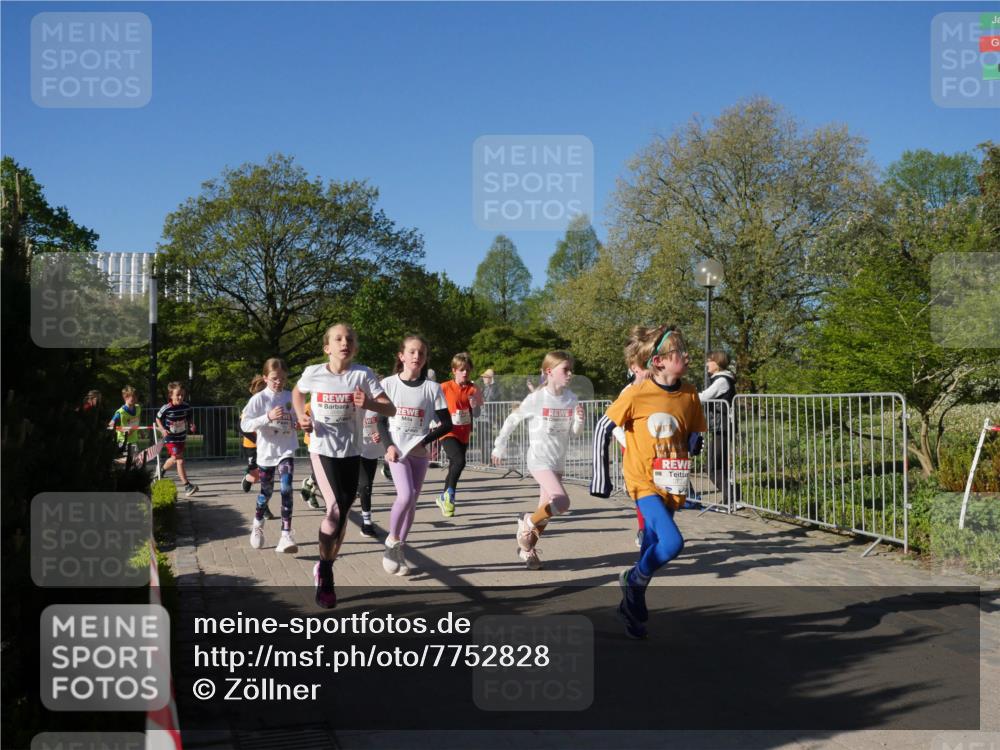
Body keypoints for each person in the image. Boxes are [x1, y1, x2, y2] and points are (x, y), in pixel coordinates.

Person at [605, 325, 705, 638]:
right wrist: (600, 477)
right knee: (672, 543)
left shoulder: (689, 393)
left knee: (650, 547)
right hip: (642, 482)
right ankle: (632, 580)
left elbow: (692, 429)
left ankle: (631, 611)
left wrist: (692, 442)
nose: (686, 356)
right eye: (678, 352)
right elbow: (604, 427)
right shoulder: (636, 393)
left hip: (672, 483)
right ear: (659, 361)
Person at [293, 323, 395, 608]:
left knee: (341, 519)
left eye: (350, 338)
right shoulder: (314, 373)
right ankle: (325, 573)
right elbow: (297, 393)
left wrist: (370, 403)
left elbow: (391, 408)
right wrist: (302, 416)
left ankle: (326, 563)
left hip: (352, 453)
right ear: (327, 347)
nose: (344, 342)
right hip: (321, 450)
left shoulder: (363, 374)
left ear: (355, 346)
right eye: (338, 339)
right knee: (335, 509)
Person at [492, 351, 585, 569]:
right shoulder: (537, 399)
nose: (570, 373)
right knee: (562, 502)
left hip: (557, 462)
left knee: (546, 510)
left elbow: (574, 434)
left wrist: (579, 421)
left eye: (571, 369)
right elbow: (512, 419)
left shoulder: (571, 398)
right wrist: (499, 445)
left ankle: (527, 550)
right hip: (538, 460)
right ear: (549, 372)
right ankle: (527, 521)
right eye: (565, 369)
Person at [377, 335, 452, 575]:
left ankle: (399, 550)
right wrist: (388, 446)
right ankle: (391, 541)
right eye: (411, 352)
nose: (416, 356)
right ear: (401, 356)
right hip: (397, 452)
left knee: (412, 504)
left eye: (421, 353)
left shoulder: (433, 388)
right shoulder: (388, 384)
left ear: (425, 358)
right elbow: (380, 420)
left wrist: (425, 440)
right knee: (406, 495)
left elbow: (447, 424)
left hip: (419, 454)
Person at [591, 332, 651, 548]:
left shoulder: (665, 390)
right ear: (634, 368)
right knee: (643, 493)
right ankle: (644, 530)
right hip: (633, 450)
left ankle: (654, 530)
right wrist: (628, 442)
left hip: (658, 452)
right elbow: (609, 424)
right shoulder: (629, 391)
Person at [240, 359, 300, 554]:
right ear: (265, 378)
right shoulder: (259, 399)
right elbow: (245, 425)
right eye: (274, 378)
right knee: (266, 492)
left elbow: (298, 419)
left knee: (287, 488)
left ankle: (286, 535)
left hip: (286, 449)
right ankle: (257, 523)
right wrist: (267, 417)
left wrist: (298, 424)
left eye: (282, 378)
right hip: (266, 453)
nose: (278, 382)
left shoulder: (291, 396)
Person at [433, 352, 482, 517]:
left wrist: (475, 406)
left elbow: (477, 413)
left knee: (456, 465)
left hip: (464, 432)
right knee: (460, 461)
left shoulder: (473, 389)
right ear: (454, 370)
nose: (465, 373)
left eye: (467, 369)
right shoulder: (444, 387)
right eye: (461, 370)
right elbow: (433, 406)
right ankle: (450, 495)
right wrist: (437, 420)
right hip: (448, 432)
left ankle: (443, 497)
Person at [698, 350, 739, 506]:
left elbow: (704, 397)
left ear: (718, 362)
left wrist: (685, 395)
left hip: (722, 427)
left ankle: (734, 497)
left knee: (712, 466)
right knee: (717, 465)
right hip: (720, 427)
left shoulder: (722, 381)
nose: (707, 364)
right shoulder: (720, 379)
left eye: (709, 360)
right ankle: (731, 498)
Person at [155, 382, 199, 497]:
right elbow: (157, 419)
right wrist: (162, 429)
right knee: (179, 460)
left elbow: (189, 416)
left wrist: (191, 424)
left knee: (174, 458)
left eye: (182, 395)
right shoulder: (166, 408)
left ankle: (160, 471)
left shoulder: (186, 406)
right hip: (170, 438)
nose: (180, 397)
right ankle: (187, 486)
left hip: (181, 437)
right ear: (171, 396)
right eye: (178, 395)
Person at [357, 372, 386, 538]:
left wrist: (380, 434)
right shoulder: (353, 403)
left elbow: (387, 423)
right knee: (360, 485)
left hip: (370, 451)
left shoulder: (379, 404)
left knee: (366, 485)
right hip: (352, 450)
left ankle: (366, 522)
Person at [108, 385, 142, 459]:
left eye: (136, 396)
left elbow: (137, 421)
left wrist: (140, 432)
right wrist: (123, 430)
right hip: (123, 442)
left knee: (135, 462)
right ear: (125, 397)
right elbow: (110, 425)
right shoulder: (120, 412)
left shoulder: (138, 408)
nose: (135, 398)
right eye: (133, 396)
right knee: (127, 462)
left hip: (134, 441)